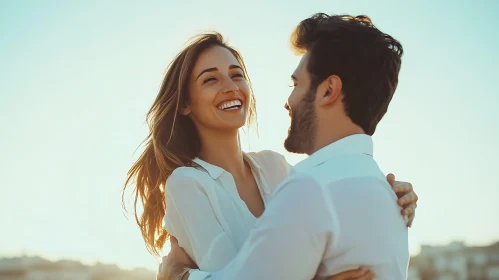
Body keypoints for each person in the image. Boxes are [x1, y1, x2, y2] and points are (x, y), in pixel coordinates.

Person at [123, 21, 418, 280]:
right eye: (210, 79)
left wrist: (385, 200)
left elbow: (317, 232)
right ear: (185, 104)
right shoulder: (187, 184)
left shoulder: (276, 167)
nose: (230, 86)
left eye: (237, 75)